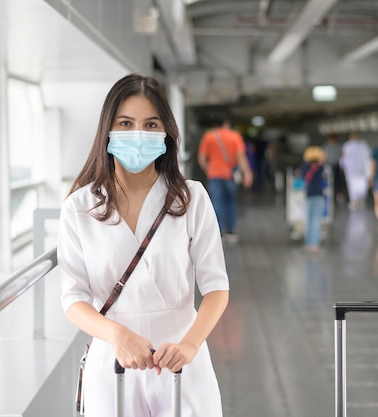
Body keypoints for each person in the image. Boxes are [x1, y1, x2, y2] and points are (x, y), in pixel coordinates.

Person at [57, 74, 229, 416]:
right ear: (107, 130)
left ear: (166, 134)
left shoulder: (191, 198)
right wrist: (118, 335)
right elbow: (73, 299)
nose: (139, 134)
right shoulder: (79, 207)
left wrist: (190, 345)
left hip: (180, 356)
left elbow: (216, 288)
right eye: (126, 123)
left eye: (151, 124)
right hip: (112, 359)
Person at [197, 112, 253, 244]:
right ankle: (231, 232)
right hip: (230, 176)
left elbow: (201, 158)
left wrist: (208, 169)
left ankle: (219, 232)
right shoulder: (234, 136)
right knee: (231, 203)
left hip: (214, 175)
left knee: (217, 203)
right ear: (226, 122)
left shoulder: (209, 137)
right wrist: (247, 173)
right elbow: (240, 157)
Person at [298, 146, 327, 254]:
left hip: (308, 195)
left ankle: (308, 243)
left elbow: (301, 176)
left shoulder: (304, 167)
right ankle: (315, 244)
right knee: (316, 221)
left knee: (309, 220)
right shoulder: (321, 167)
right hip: (319, 195)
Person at [340, 132, 371, 210]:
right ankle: (360, 201)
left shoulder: (347, 145)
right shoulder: (362, 145)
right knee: (360, 185)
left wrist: (342, 166)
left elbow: (342, 157)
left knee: (354, 185)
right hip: (359, 169)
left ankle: (355, 201)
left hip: (354, 170)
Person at [322, 132, 345, 203]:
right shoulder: (326, 146)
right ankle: (329, 194)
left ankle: (339, 195)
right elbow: (324, 156)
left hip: (336, 164)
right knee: (328, 180)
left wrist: (342, 165)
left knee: (338, 181)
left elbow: (342, 156)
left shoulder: (339, 146)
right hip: (329, 165)